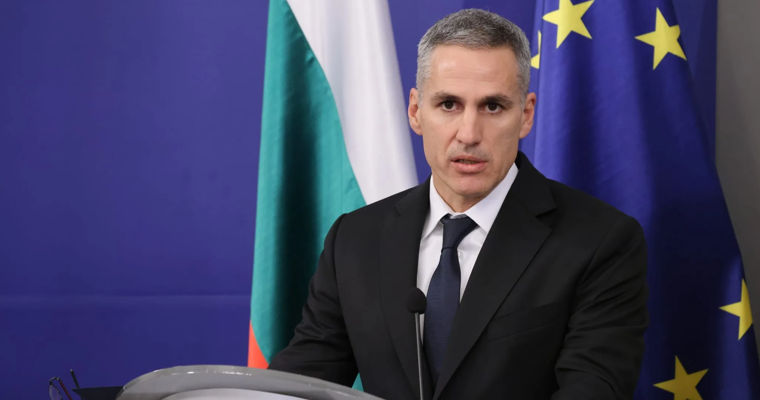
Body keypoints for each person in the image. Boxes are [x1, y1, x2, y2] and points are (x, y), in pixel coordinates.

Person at [269, 9, 647, 400]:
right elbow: (300, 382)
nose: (468, 134)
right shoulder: (356, 237)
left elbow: (591, 390)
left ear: (526, 115)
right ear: (416, 111)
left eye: (493, 107)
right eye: (449, 104)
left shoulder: (600, 241)